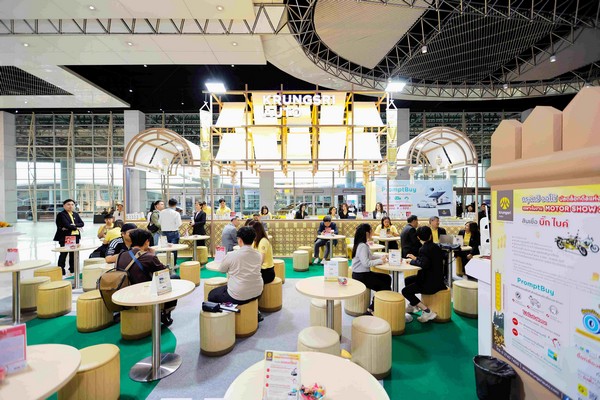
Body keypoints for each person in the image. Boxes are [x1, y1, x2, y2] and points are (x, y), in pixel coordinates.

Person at [115, 229, 178, 326]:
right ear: (147, 242)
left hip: (125, 291)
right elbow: (164, 273)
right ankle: (166, 312)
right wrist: (153, 254)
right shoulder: (149, 257)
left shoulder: (121, 255)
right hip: (144, 292)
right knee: (174, 278)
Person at [207, 226, 263, 307]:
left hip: (238, 295)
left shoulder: (232, 255)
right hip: (258, 291)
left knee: (212, 294)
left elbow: (222, 270)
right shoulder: (258, 255)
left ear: (239, 240)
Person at [402, 226, 447, 323]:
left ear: (418, 237)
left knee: (405, 291)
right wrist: (415, 258)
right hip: (437, 279)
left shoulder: (424, 249)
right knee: (408, 280)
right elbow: (427, 261)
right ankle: (413, 305)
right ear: (430, 235)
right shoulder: (435, 247)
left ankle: (427, 311)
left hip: (429, 283)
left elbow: (424, 264)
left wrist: (411, 261)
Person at [351, 223, 391, 314]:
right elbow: (366, 263)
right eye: (371, 230)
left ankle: (378, 303)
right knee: (385, 285)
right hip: (361, 276)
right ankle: (372, 308)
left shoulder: (362, 244)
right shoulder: (362, 246)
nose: (372, 232)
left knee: (387, 278)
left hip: (362, 274)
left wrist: (382, 256)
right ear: (367, 233)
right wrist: (380, 260)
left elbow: (370, 256)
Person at [53, 199, 84, 277]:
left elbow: (82, 223)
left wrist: (73, 225)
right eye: (68, 204)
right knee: (63, 253)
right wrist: (75, 227)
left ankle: (72, 269)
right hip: (65, 237)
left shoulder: (75, 214)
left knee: (73, 254)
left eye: (72, 204)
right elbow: (66, 224)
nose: (71, 206)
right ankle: (61, 270)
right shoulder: (61, 214)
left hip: (75, 236)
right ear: (64, 206)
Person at [249, 220, 275, 285]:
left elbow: (261, 260)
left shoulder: (263, 241)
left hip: (266, 272)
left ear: (256, 231)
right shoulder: (255, 241)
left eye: (250, 230)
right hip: (259, 269)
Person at [159, 198, 182, 265]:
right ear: (175, 205)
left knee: (165, 249)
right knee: (174, 249)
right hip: (174, 233)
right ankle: (173, 264)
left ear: (168, 204)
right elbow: (179, 224)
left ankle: (166, 264)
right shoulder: (176, 213)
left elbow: (159, 222)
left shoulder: (162, 212)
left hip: (164, 233)